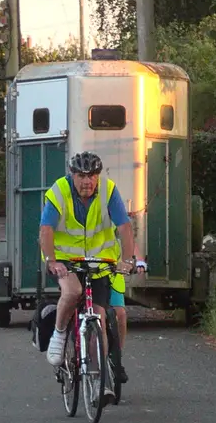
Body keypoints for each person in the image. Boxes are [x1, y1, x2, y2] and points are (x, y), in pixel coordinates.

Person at [39, 151, 146, 388]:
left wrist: (127, 260)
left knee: (99, 315)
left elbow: (125, 227)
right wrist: (51, 260)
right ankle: (58, 334)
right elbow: (46, 229)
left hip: (99, 261)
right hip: (65, 258)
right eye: (81, 176)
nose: (87, 181)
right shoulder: (59, 190)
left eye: (92, 176)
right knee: (73, 291)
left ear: (98, 176)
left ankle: (98, 380)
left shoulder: (108, 190)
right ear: (72, 175)